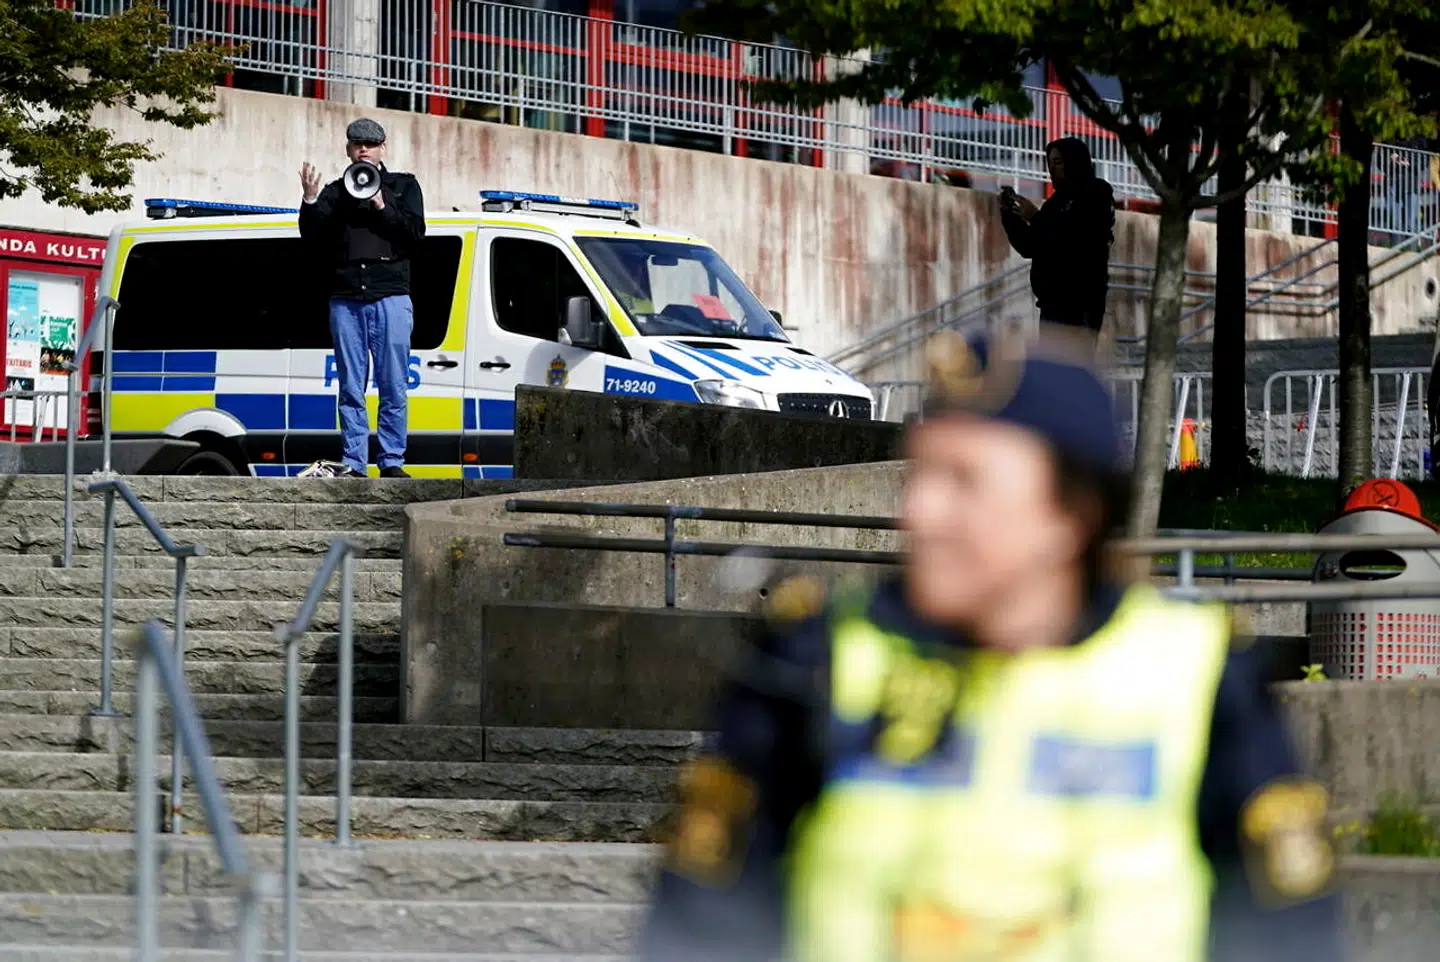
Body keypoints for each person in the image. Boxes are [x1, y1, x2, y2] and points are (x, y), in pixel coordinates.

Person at [638, 324, 1342, 962]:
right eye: (920, 476)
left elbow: (1289, 931)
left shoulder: (1201, 677)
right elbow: (702, 919)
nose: (919, 511)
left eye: (964, 481)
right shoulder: (811, 661)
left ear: (1071, 514)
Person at [298, 118, 426, 479]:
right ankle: (354, 462)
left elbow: (415, 235)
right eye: (357, 144)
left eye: (370, 144)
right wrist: (310, 200)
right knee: (351, 387)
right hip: (347, 299)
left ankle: (391, 461)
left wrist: (382, 205)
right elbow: (313, 238)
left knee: (393, 384)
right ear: (348, 149)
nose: (363, 150)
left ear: (383, 147)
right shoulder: (337, 192)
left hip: (391, 296)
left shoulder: (404, 186)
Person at [1000, 138, 1116, 336]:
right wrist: (1010, 217)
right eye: (1050, 164)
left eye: (1059, 162)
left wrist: (1034, 216)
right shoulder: (1054, 204)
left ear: (1075, 162)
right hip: (1051, 307)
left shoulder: (1096, 193)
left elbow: (1074, 238)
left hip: (1080, 307)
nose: (1052, 170)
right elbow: (1031, 245)